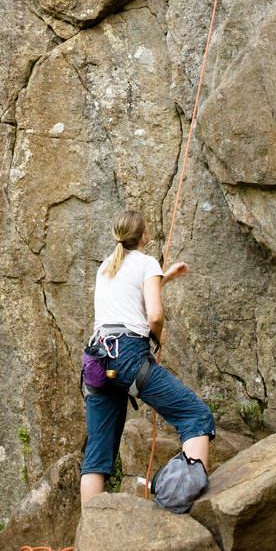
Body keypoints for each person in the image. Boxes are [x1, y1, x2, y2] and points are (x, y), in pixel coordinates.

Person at [80, 210, 216, 507]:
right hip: (128, 357)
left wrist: (164, 278)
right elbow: (153, 315)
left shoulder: (105, 266)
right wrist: (158, 334)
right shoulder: (147, 262)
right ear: (144, 236)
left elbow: (128, 300)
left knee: (97, 454)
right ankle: (186, 502)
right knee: (196, 416)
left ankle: (91, 539)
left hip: (97, 361)